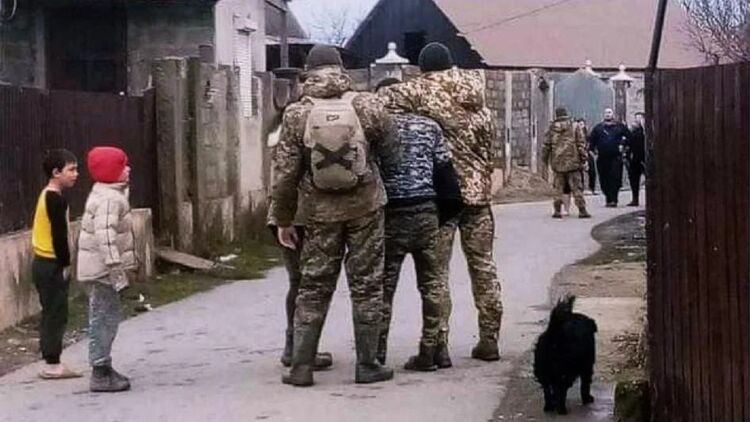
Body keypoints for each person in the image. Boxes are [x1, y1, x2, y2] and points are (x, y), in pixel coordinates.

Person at [270, 45, 399, 386]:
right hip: (366, 207)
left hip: (318, 212)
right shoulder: (368, 104)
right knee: (367, 284)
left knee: (313, 286)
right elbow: (393, 153)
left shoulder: (297, 113)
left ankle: (301, 367)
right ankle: (367, 365)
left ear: (307, 72)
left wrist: (283, 219)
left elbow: (284, 174)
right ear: (341, 69)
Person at [380, 42, 503, 364]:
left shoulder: (422, 90)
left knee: (437, 274)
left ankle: (439, 344)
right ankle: (489, 339)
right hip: (479, 196)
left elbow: (381, 100)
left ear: (423, 68)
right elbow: (490, 151)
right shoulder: (480, 99)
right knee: (483, 267)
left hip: (443, 198)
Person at [374, 78, 460, 371]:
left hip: (391, 215)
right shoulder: (430, 127)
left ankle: (376, 355)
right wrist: (444, 215)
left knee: (384, 288)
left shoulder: (378, 128)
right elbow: (445, 173)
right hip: (426, 212)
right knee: (432, 286)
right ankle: (431, 351)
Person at [76, 146, 137, 392]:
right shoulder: (110, 199)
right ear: (111, 171)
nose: (128, 169)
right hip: (102, 271)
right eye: (123, 165)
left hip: (101, 269)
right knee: (104, 318)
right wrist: (115, 268)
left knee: (106, 316)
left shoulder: (108, 193)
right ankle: (100, 371)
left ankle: (104, 366)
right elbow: (106, 238)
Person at [31, 149, 82, 380]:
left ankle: (51, 359)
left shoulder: (47, 195)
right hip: (50, 263)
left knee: (51, 311)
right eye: (71, 169)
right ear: (56, 172)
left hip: (42, 263)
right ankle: (52, 363)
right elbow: (59, 236)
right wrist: (65, 264)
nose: (76, 174)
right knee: (56, 313)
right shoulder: (55, 199)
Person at [542, 107, 591, 219]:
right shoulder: (575, 126)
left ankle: (557, 210)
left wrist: (545, 160)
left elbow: (546, 146)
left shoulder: (551, 128)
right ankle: (582, 210)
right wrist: (584, 158)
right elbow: (580, 144)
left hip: (557, 162)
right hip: (573, 162)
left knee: (558, 188)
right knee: (577, 187)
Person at [588, 108, 631, 207]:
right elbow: (592, 141)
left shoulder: (620, 126)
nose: (608, 114)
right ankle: (608, 198)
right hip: (602, 158)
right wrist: (592, 151)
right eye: (606, 113)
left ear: (612, 114)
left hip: (616, 157)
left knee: (615, 177)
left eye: (609, 112)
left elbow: (629, 137)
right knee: (604, 178)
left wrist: (624, 146)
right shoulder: (598, 128)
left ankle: (614, 199)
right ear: (603, 115)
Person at [624, 112, 646, 206]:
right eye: (636, 118)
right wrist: (627, 156)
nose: (637, 120)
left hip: (644, 158)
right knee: (634, 180)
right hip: (634, 159)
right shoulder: (632, 132)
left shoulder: (645, 131)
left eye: (639, 118)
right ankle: (635, 199)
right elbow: (628, 143)